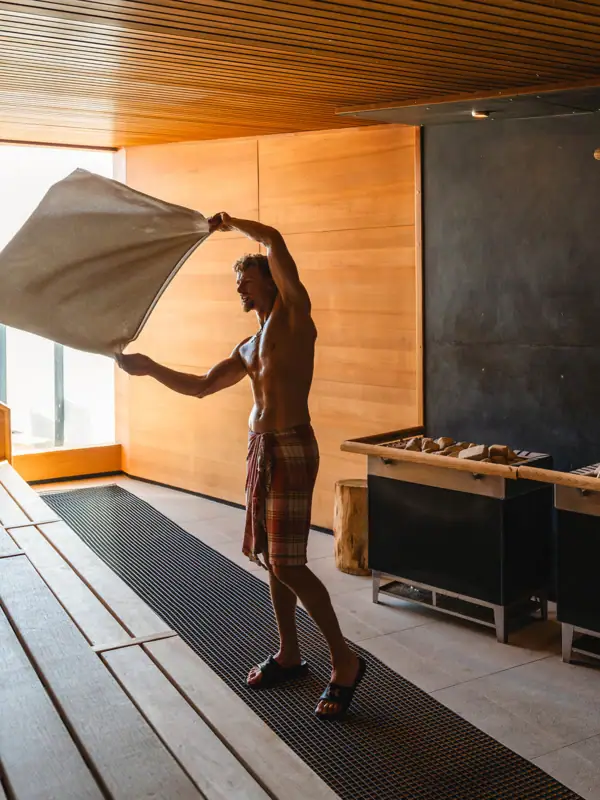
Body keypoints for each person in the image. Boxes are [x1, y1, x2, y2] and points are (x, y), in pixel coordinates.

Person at [116, 212, 366, 720]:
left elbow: (274, 237)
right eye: (238, 285)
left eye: (246, 282)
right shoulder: (248, 347)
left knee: (289, 563)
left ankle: (344, 661)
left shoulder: (296, 316)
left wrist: (231, 223)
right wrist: (148, 368)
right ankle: (290, 653)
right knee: (272, 558)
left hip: (293, 445)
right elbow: (202, 385)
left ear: (271, 281)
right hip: (261, 449)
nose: (240, 291)